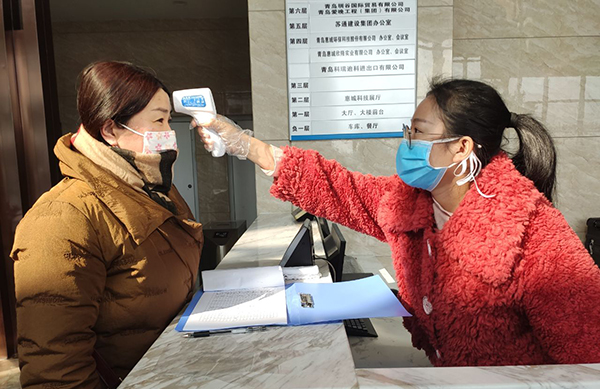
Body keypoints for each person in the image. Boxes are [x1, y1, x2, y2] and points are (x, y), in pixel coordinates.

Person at [195, 78, 600, 367]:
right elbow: (339, 188)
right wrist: (244, 144)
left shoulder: (534, 234)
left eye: (418, 133)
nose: (406, 143)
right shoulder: (411, 204)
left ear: (461, 148)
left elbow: (588, 357)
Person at [11, 61, 203, 389]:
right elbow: (54, 365)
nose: (169, 134)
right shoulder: (62, 216)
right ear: (111, 129)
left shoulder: (152, 190)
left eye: (169, 120)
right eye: (159, 120)